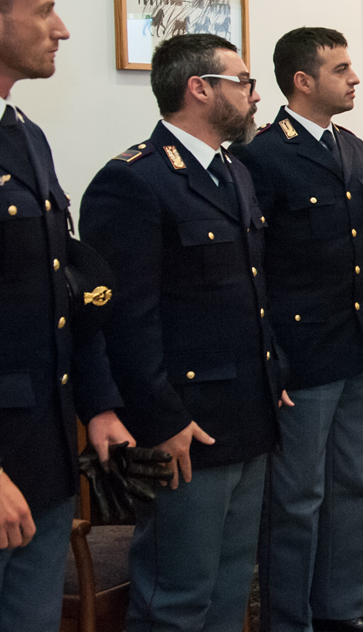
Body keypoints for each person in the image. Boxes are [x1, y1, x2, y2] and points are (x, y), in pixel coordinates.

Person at [80, 34, 291, 632]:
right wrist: (161, 420)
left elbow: (248, 292)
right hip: (185, 424)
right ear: (200, 88)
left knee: (229, 586)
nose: (254, 96)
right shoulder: (135, 181)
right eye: (243, 81)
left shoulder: (234, 173)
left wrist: (270, 374)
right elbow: (124, 319)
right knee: (177, 597)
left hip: (247, 412)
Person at [0, 0, 137, 629]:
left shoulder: (25, 136)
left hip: (42, 450)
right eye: (45, 10)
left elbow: (64, 290)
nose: (63, 28)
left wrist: (99, 404)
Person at [230, 27, 363, 632]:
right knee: (296, 501)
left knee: (350, 487)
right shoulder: (261, 156)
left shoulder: (351, 147)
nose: (356, 78)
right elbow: (255, 272)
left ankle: (340, 613)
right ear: (303, 80)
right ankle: (290, 621)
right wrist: (270, 359)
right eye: (342, 69)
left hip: (357, 346)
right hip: (301, 355)